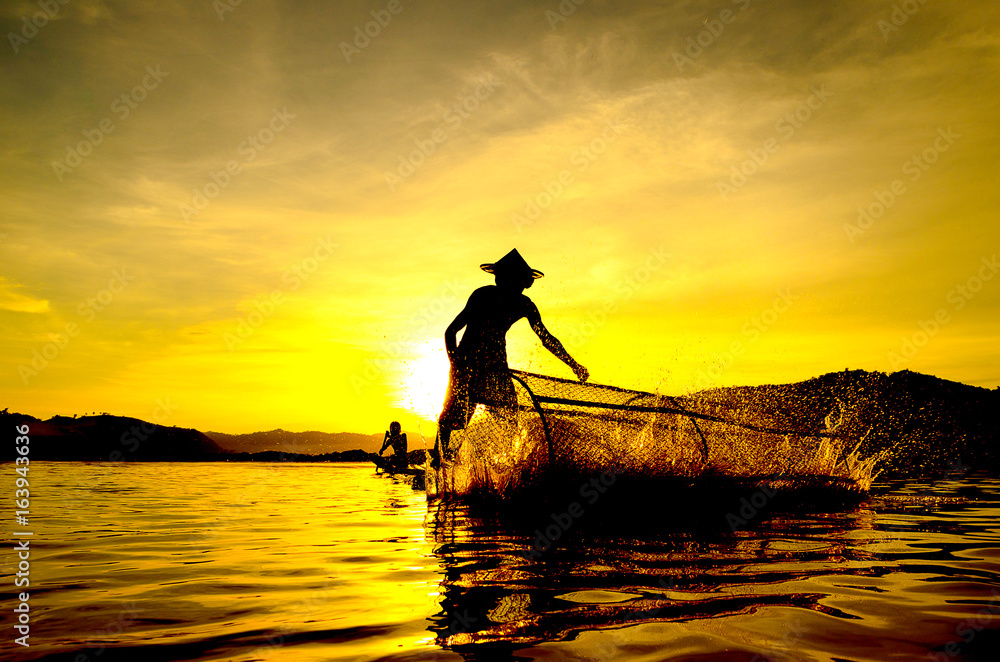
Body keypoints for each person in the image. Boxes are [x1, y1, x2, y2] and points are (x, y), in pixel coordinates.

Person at [434, 249, 588, 467]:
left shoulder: (524, 305)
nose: (515, 285)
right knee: (452, 420)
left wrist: (574, 365)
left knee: (509, 418)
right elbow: (451, 332)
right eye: (504, 278)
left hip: (496, 367)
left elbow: (546, 338)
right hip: (466, 364)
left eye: (520, 282)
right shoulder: (483, 296)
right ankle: (439, 462)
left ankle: (504, 467)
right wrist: (456, 365)